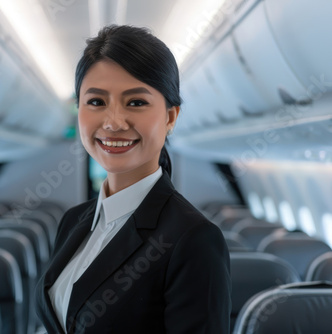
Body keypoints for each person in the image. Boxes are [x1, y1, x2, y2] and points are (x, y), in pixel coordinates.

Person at [35, 25, 231, 334]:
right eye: (96, 102)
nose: (113, 123)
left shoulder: (193, 240)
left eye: (136, 102)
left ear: (170, 117)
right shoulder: (73, 222)